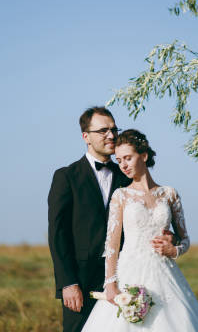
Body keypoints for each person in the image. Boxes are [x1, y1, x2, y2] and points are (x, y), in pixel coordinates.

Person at [47, 107, 177, 332]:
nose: (111, 135)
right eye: (103, 130)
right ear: (85, 136)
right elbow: (58, 235)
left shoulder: (126, 174)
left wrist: (168, 237)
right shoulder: (66, 176)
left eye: (114, 129)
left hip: (126, 278)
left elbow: (148, 214)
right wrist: (68, 283)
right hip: (81, 281)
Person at [81, 129, 198, 331]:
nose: (123, 165)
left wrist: (175, 250)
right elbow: (112, 244)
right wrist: (110, 284)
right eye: (119, 160)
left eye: (128, 158)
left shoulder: (169, 194)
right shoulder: (121, 196)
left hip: (165, 273)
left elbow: (185, 239)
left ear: (143, 155)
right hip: (129, 271)